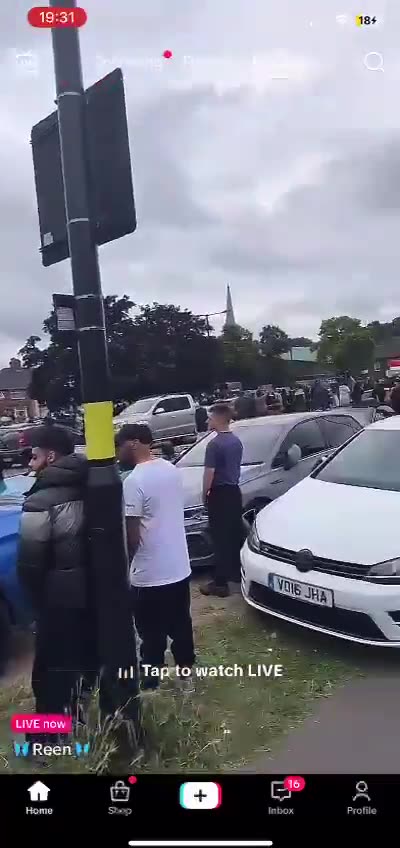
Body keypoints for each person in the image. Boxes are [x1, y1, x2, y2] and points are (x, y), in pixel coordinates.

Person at [17, 426, 96, 740]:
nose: (31, 464)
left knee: (49, 672)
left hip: (57, 599)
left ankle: (46, 739)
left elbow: (30, 564)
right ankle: (80, 720)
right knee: (84, 660)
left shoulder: (40, 500)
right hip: (92, 595)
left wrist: (36, 602)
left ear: (50, 456)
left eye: (34, 456)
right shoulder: (94, 484)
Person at [119, 424, 195, 692]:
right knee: (181, 626)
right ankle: (187, 679)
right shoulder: (172, 470)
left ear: (133, 443)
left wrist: (125, 569)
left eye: (120, 446)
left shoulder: (133, 481)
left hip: (149, 574)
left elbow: (132, 536)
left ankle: (151, 685)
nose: (118, 454)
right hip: (179, 567)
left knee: (150, 635)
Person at [200, 403, 244, 598]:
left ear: (218, 419)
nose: (207, 421)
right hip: (234, 491)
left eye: (210, 418)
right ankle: (236, 573)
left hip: (219, 493)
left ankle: (220, 583)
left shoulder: (214, 444)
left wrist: (205, 494)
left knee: (219, 538)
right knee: (234, 535)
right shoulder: (236, 442)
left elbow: (210, 472)